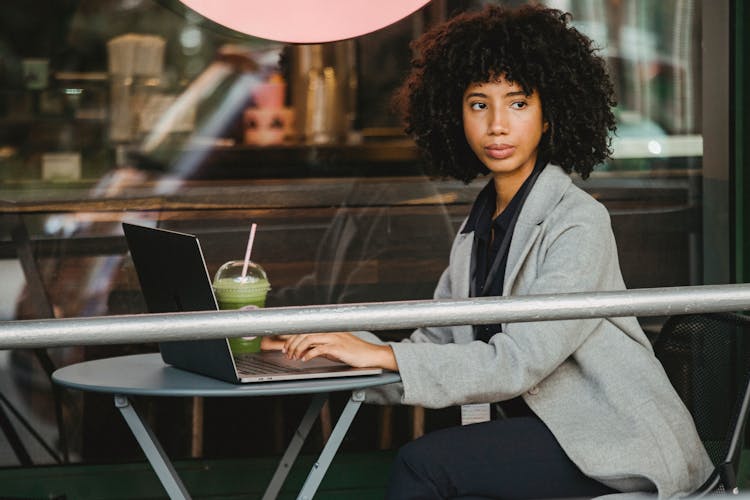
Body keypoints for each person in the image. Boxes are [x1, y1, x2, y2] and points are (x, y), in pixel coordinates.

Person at [263, 4, 713, 498]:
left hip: (609, 442)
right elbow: (433, 348)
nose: (497, 125)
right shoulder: (478, 230)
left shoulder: (578, 222)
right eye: (479, 104)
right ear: (455, 115)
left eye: (518, 103)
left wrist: (377, 354)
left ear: (549, 116)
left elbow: (519, 362)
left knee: (425, 465)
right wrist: (320, 352)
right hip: (538, 431)